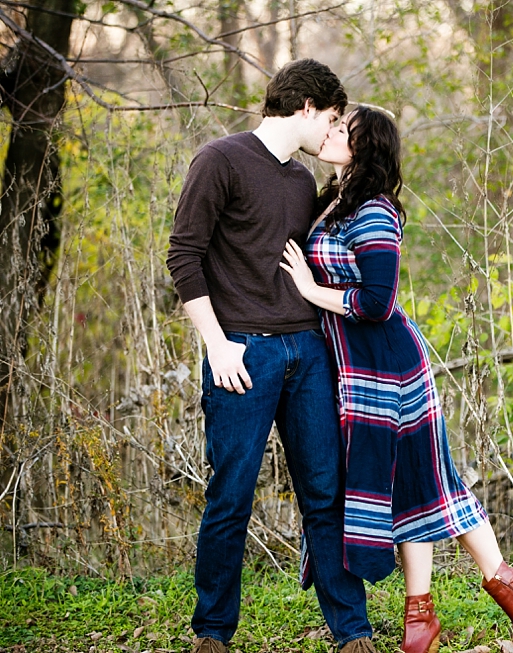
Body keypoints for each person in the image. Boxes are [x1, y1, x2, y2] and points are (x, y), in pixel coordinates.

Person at [279, 106, 513, 653]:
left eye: (342, 130)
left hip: (391, 368)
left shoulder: (375, 211)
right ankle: (455, 600)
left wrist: (310, 291)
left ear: (365, 147)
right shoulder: (331, 199)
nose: (330, 134)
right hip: (354, 370)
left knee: (428, 482)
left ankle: (488, 586)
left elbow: (378, 303)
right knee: (410, 486)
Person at [166, 60, 378, 653]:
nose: (333, 132)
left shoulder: (300, 184)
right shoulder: (220, 160)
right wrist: (216, 342)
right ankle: (213, 633)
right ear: (307, 107)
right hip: (243, 353)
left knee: (324, 492)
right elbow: (184, 256)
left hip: (308, 351)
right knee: (231, 492)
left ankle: (351, 633)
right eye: (332, 118)